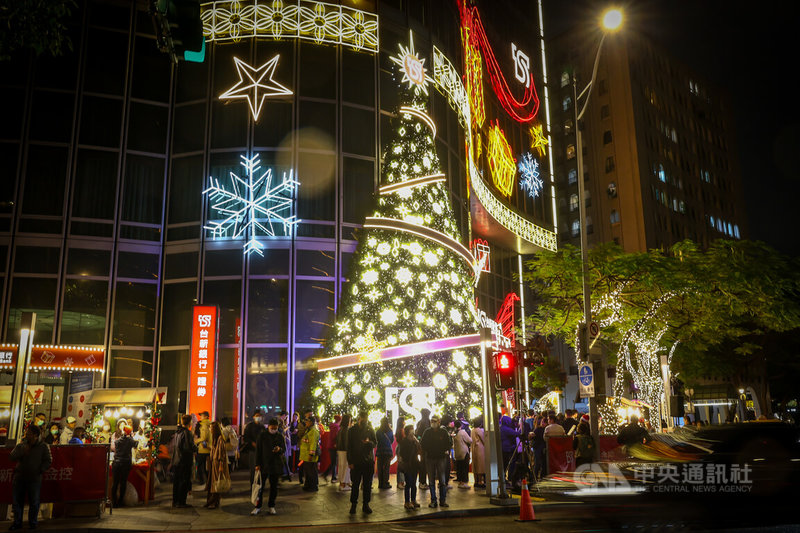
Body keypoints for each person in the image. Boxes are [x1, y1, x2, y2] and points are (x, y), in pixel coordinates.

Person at [9, 425, 52, 531]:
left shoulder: (43, 446)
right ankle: (17, 522)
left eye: (29, 433)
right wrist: (22, 451)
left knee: (34, 501)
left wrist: (40, 470)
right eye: (27, 433)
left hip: (34, 478)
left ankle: (33, 522)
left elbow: (48, 460)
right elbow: (12, 456)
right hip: (20, 477)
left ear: (35, 435)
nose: (27, 435)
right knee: (17, 501)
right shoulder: (22, 445)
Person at [252, 418, 285, 516]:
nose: (274, 430)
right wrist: (257, 464)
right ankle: (257, 506)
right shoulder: (262, 435)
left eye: (275, 428)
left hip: (275, 465)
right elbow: (258, 451)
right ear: (268, 427)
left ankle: (271, 506)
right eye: (272, 428)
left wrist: (279, 449)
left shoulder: (280, 436)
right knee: (260, 487)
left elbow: (284, 449)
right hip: (263, 465)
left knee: (274, 487)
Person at [347, 410, 376, 515]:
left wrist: (369, 443)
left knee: (367, 485)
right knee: (355, 484)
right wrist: (350, 461)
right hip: (356, 461)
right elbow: (349, 446)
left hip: (368, 461)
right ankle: (353, 505)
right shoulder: (352, 430)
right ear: (359, 418)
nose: (364, 421)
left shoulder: (370, 430)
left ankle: (366, 504)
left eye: (365, 419)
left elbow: (375, 443)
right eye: (362, 418)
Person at [420, 414, 452, 508]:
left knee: (442, 481)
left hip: (441, 458)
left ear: (439, 422)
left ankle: (442, 500)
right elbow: (423, 443)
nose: (433, 423)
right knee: (431, 481)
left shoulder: (443, 432)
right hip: (430, 458)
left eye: (435, 421)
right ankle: (433, 500)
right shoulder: (427, 432)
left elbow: (449, 443)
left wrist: (443, 450)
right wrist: (428, 450)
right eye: (432, 421)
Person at [171, 414, 197, 508]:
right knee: (184, 481)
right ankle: (181, 502)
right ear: (189, 422)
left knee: (177, 482)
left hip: (176, 460)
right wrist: (196, 448)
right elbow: (188, 447)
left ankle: (175, 501)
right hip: (184, 461)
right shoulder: (187, 433)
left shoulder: (178, 432)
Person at [205, 421, 230, 509]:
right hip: (214, 463)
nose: (210, 430)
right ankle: (211, 501)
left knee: (216, 484)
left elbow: (221, 454)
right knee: (213, 483)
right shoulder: (215, 438)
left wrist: (220, 466)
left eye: (211, 428)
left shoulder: (220, 439)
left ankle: (214, 502)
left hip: (218, 464)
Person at [397, 425, 421, 510]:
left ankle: (413, 500)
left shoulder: (414, 441)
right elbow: (403, 454)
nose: (413, 433)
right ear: (408, 432)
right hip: (407, 465)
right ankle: (407, 502)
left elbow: (420, 449)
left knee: (414, 484)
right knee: (409, 484)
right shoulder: (404, 442)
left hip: (414, 465)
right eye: (411, 431)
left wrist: (416, 441)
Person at [111, 426, 136, 508]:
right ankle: (121, 501)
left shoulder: (117, 441)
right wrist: (131, 437)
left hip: (117, 463)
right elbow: (136, 445)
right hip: (126, 463)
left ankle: (114, 502)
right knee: (123, 482)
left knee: (115, 483)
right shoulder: (130, 441)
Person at [241, 410, 266, 485]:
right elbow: (246, 437)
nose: (258, 417)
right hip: (253, 450)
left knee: (261, 468)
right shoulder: (249, 426)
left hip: (261, 451)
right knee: (253, 468)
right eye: (257, 416)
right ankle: (253, 484)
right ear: (253, 417)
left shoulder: (262, 426)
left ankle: (259, 484)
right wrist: (252, 443)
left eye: (259, 416)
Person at [299, 415, 320, 492]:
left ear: (311, 422)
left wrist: (311, 454)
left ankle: (313, 486)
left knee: (311, 472)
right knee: (307, 472)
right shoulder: (309, 430)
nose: (306, 423)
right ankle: (307, 485)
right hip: (306, 455)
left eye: (307, 421)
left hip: (309, 456)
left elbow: (313, 444)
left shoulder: (313, 431)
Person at [499, 415, 520, 482]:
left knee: (504, 464)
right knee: (505, 463)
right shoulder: (506, 429)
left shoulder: (501, 428)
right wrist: (521, 428)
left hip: (502, 447)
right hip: (506, 448)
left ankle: (503, 477)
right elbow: (516, 434)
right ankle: (503, 478)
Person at [194, 411, 212, 486]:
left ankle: (202, 481)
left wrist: (196, 441)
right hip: (208, 449)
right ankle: (208, 481)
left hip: (203, 449)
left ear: (206, 417)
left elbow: (203, 438)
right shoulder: (209, 424)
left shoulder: (204, 425)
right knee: (206, 467)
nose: (200, 417)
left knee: (200, 466)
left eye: (202, 416)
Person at [375, 417, 394, 489]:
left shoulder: (378, 431)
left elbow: (377, 440)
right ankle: (385, 483)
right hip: (388, 452)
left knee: (380, 468)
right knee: (386, 468)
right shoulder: (390, 431)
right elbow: (392, 441)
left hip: (380, 451)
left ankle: (380, 483)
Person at [453, 420, 472, 489]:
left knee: (459, 468)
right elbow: (470, 440)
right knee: (464, 467)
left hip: (458, 452)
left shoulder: (455, 433)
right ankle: (463, 483)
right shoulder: (463, 432)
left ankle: (460, 482)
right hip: (464, 452)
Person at [415, 408, 431, 489]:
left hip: (423, 447)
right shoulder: (426, 422)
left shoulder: (420, 422)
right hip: (426, 447)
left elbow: (417, 434)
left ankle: (422, 482)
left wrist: (419, 440)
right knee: (424, 465)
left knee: (423, 464)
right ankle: (423, 482)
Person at [336, 414, 352, 492]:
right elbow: (347, 442)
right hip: (345, 451)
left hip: (340, 450)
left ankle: (343, 483)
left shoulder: (340, 429)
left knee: (341, 467)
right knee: (346, 467)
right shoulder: (346, 430)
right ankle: (343, 484)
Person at [322, 414, 340, 482]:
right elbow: (335, 437)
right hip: (334, 446)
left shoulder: (333, 426)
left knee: (334, 462)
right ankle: (330, 475)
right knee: (334, 462)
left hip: (330, 446)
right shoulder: (336, 427)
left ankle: (331, 476)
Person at [470, 417, 486, 488]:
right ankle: (480, 482)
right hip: (480, 448)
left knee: (475, 465)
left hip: (474, 448)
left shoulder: (472, 430)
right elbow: (483, 439)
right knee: (480, 465)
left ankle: (476, 481)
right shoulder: (479, 430)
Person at [394, 416, 406, 489]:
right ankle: (400, 482)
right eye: (404, 421)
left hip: (399, 448)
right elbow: (402, 440)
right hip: (401, 448)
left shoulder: (399, 429)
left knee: (400, 466)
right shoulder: (401, 430)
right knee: (401, 466)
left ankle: (400, 482)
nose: (405, 422)